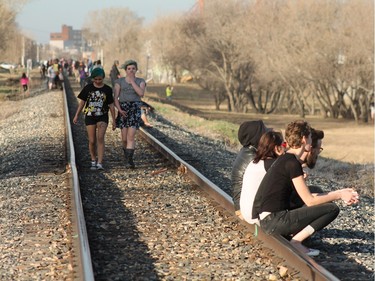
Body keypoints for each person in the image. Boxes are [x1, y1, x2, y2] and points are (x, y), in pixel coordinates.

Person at [252, 120, 359, 256]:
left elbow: (306, 196)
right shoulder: (292, 163)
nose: (311, 141)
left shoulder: (286, 159)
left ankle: (296, 239)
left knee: (321, 196)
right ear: (303, 139)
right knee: (332, 209)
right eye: (309, 138)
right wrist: (339, 195)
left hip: (268, 221)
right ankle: (296, 242)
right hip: (275, 221)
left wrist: (341, 192)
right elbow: (309, 201)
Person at [73, 67, 116, 170]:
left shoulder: (107, 89)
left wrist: (114, 120)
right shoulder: (88, 88)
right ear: (93, 78)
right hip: (90, 116)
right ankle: (93, 159)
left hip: (102, 116)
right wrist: (76, 115)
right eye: (95, 79)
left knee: (100, 138)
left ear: (103, 78)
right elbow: (82, 102)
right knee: (92, 140)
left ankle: (100, 163)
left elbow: (111, 105)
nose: (97, 81)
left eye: (100, 79)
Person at [240, 131, 285, 224]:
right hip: (257, 216)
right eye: (284, 144)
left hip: (247, 212)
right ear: (277, 148)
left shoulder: (254, 162)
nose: (286, 147)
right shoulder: (273, 165)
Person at [231, 120, 270, 218]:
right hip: (246, 206)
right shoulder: (253, 158)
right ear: (257, 137)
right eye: (264, 132)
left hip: (241, 203)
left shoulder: (246, 151)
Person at [114, 59, 146, 169]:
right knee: (124, 138)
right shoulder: (119, 82)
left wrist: (132, 82)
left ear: (136, 70)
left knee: (131, 136)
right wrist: (119, 109)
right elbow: (115, 97)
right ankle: (126, 155)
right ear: (125, 70)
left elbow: (141, 93)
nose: (131, 70)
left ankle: (129, 160)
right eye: (129, 69)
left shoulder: (140, 81)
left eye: (133, 68)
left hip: (134, 109)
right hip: (123, 109)